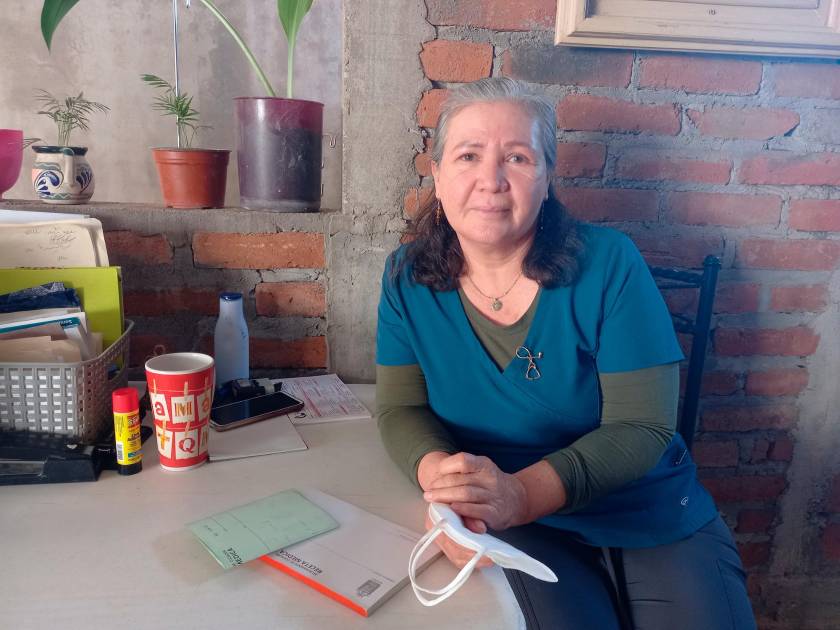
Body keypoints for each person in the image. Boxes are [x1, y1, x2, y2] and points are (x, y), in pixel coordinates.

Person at [375, 77, 756, 629]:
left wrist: (519, 494)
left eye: (518, 157)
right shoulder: (404, 277)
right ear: (437, 176)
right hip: (508, 518)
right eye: (468, 156)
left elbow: (643, 426)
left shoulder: (610, 262)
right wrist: (446, 484)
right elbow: (400, 408)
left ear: (548, 177)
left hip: (639, 504)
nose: (491, 180)